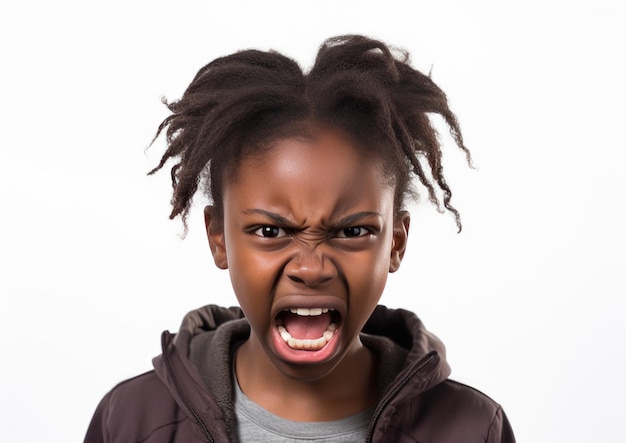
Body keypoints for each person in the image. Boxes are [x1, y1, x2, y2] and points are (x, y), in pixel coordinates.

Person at [85, 35, 515, 442]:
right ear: (218, 237)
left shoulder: (472, 429)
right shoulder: (131, 421)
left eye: (352, 231)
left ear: (396, 243)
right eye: (270, 232)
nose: (311, 268)